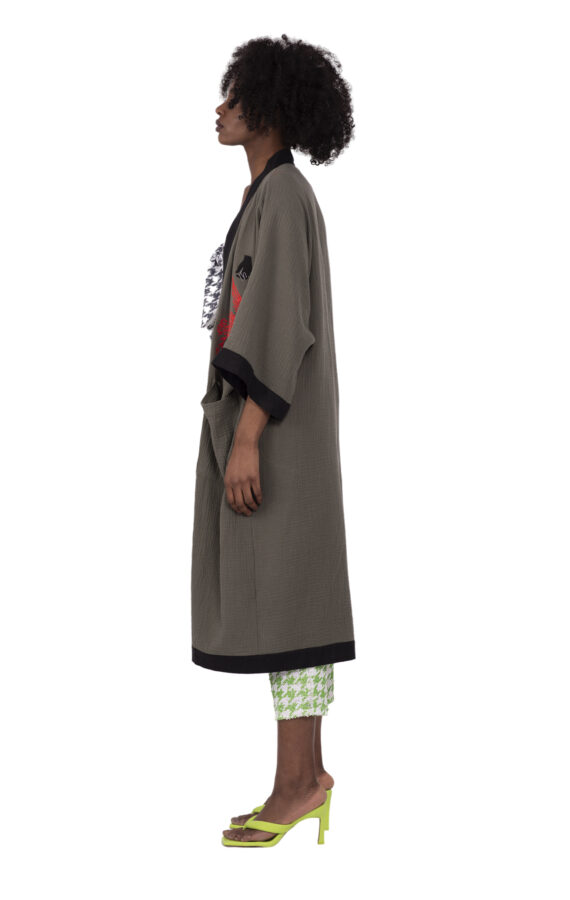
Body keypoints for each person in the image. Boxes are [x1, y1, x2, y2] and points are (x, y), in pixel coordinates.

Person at [191, 34, 356, 846]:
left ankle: (295, 785)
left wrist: (249, 436)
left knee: (291, 609)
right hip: (277, 431)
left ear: (271, 106)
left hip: (276, 435)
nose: (219, 109)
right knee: (293, 604)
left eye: (235, 96)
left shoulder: (284, 197)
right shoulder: (268, 196)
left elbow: (281, 324)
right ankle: (308, 778)